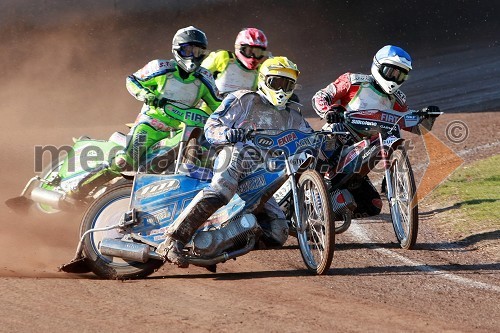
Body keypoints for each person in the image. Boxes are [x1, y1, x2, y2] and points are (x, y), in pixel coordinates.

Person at [157, 56, 312, 267]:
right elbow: (211, 126)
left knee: (278, 232)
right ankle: (172, 240)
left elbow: (309, 137)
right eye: (277, 82)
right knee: (222, 191)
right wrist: (228, 134)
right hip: (235, 154)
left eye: (288, 84)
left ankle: (217, 244)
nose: (282, 89)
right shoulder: (243, 99)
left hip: (262, 171)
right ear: (263, 80)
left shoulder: (292, 115)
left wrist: (330, 137)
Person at [69, 26, 221, 199]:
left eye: (198, 50)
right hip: (151, 124)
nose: (193, 55)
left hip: (182, 129)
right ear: (178, 49)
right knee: (125, 161)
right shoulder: (161, 67)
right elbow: (132, 80)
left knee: (201, 153)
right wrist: (146, 94)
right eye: (188, 49)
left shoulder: (204, 78)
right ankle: (80, 188)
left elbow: (219, 104)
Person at [312, 44, 440, 218]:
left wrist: (427, 117)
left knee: (373, 205)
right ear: (378, 66)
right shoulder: (353, 81)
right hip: (340, 137)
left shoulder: (398, 99)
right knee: (330, 136)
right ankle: (309, 187)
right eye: (391, 72)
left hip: (366, 151)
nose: (395, 78)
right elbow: (321, 96)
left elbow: (412, 125)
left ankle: (327, 213)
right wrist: (329, 112)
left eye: (400, 75)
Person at [198, 27, 268, 112]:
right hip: (208, 113)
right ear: (240, 48)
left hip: (237, 118)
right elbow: (197, 74)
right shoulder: (224, 58)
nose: (253, 56)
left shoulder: (261, 70)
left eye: (258, 52)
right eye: (249, 51)